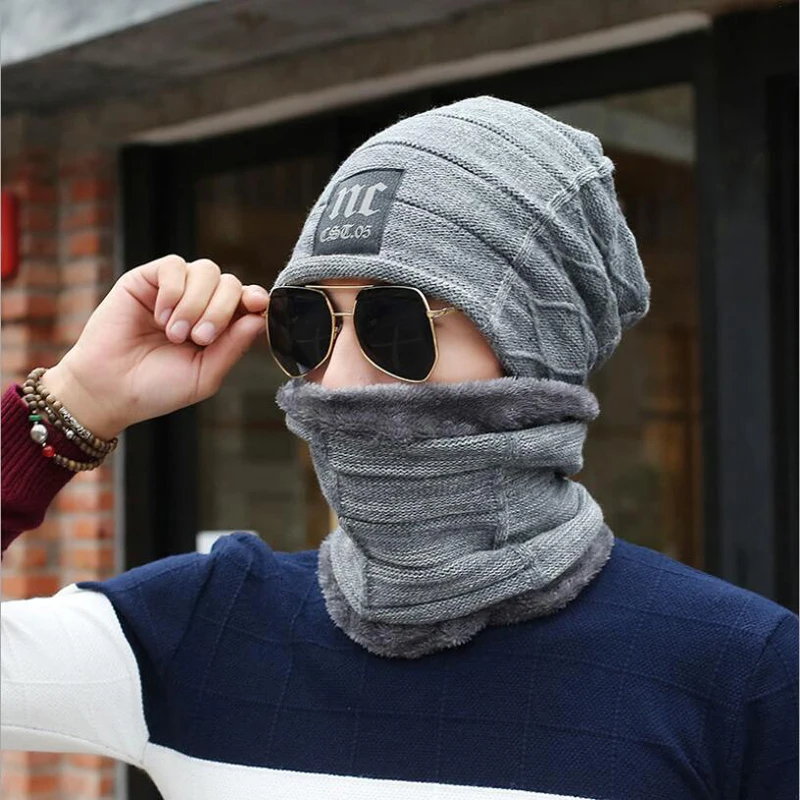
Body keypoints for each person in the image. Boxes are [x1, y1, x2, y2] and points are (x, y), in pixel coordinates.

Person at [1, 97, 796, 800]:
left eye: (396, 323)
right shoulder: (203, 627)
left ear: (535, 346)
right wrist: (74, 401)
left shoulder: (741, 674)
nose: (340, 381)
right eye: (309, 324)